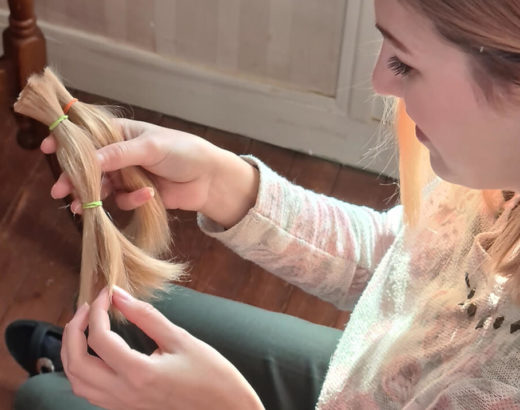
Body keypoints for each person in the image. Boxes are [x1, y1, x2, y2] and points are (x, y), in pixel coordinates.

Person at [8, 0, 520, 408]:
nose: (379, 82)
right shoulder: (494, 185)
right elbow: (404, 262)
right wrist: (222, 182)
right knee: (123, 317)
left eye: (404, 61)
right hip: (371, 376)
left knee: (42, 397)